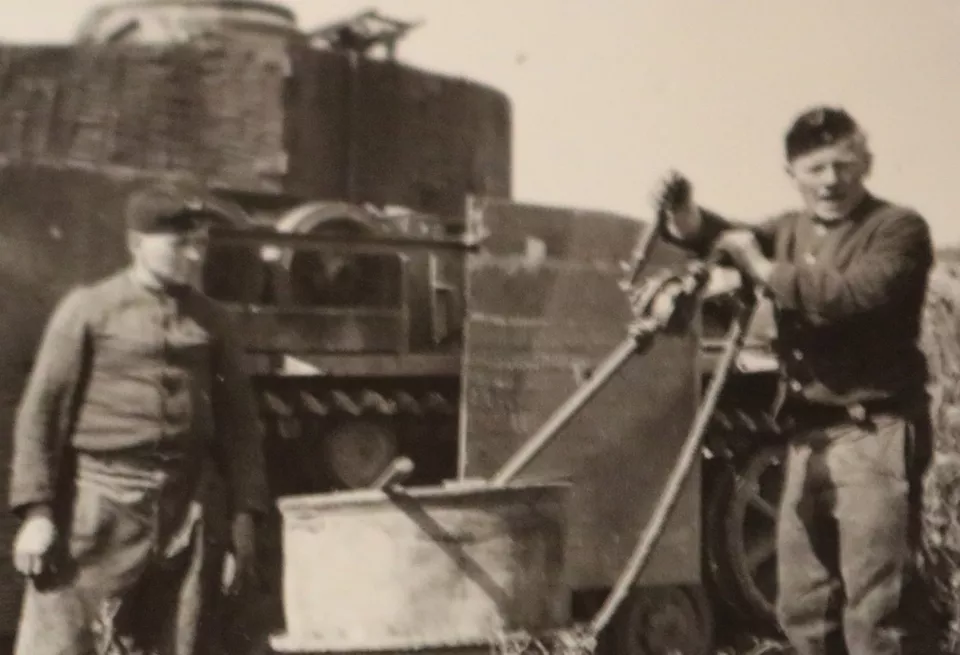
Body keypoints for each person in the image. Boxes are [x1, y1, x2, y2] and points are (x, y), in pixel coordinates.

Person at [654, 106, 934, 655]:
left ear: (866, 162)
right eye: (815, 169)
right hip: (807, 438)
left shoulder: (898, 229)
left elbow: (848, 297)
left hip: (874, 434)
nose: (830, 181)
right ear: (792, 173)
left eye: (842, 165)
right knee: (804, 608)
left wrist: (760, 269)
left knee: (879, 612)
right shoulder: (787, 230)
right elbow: (718, 234)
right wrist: (683, 215)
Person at [8, 181, 270, 655]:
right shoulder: (90, 310)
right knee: (67, 640)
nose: (194, 256)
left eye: (200, 243)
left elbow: (240, 427)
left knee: (177, 639)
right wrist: (37, 514)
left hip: (183, 511)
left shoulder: (213, 321)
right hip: (98, 508)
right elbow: (41, 414)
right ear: (136, 243)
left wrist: (244, 514)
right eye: (180, 244)